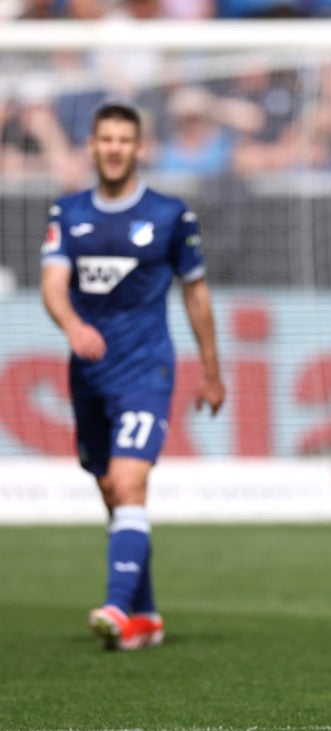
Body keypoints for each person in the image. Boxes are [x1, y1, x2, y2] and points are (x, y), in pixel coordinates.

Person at [40, 101, 226, 651]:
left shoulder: (171, 215)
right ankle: (144, 614)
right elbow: (53, 283)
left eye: (126, 139)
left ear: (139, 148)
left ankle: (117, 608)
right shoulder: (67, 213)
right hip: (89, 375)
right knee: (110, 489)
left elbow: (195, 293)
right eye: (106, 139)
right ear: (92, 147)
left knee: (128, 484)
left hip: (147, 370)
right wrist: (72, 324)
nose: (116, 148)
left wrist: (212, 371)